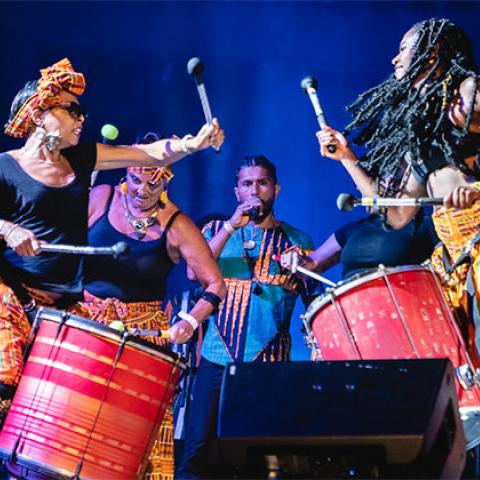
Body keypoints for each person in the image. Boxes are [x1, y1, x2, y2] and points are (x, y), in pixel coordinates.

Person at [0, 58, 224, 423]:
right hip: (11, 296)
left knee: (63, 413)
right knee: (5, 387)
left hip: (63, 307)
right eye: (73, 110)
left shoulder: (81, 159)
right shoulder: (5, 168)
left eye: (82, 111)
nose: (81, 118)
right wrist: (7, 228)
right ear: (41, 114)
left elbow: (150, 153)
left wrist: (192, 143)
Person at [315, 18, 480, 366]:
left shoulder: (467, 94)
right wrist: (347, 158)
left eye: (404, 48)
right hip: (454, 262)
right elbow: (394, 213)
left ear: (432, 51)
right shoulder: (422, 126)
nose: (395, 59)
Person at [80, 132, 225, 480]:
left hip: (143, 332)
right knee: (81, 419)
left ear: (166, 179)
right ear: (125, 174)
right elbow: (62, 238)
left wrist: (190, 320)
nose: (143, 190)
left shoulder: (179, 226)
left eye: (153, 182)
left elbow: (215, 285)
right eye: (136, 179)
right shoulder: (101, 196)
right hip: (88, 319)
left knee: (130, 428)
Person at [177, 154, 319, 479]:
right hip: (216, 358)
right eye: (247, 184)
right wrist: (230, 226)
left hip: (268, 363)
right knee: (197, 451)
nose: (255, 191)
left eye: (262, 183)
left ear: (276, 189)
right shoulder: (215, 230)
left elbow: (313, 298)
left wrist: (303, 268)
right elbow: (192, 271)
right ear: (237, 192)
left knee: (258, 455)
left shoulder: (297, 241)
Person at [282, 209, 438, 281]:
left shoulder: (426, 225)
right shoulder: (354, 229)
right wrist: (296, 260)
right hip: (358, 316)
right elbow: (312, 263)